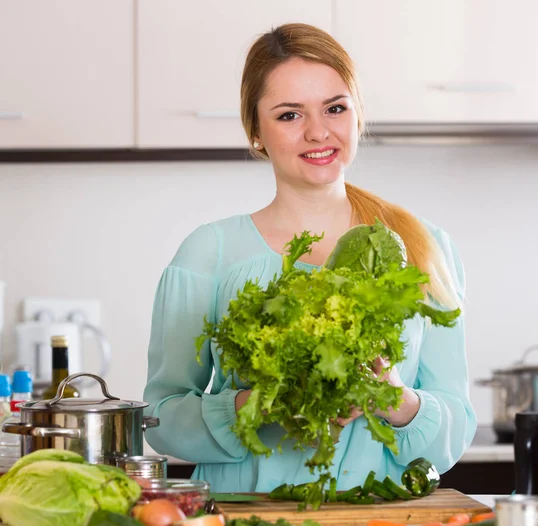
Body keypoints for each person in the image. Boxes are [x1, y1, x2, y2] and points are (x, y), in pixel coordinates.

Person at [143, 23, 477, 493]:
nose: (319, 132)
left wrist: (393, 399)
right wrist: (257, 405)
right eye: (289, 115)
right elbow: (159, 418)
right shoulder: (208, 252)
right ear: (255, 131)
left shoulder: (421, 245)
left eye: (335, 108)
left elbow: (454, 431)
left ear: (357, 115)